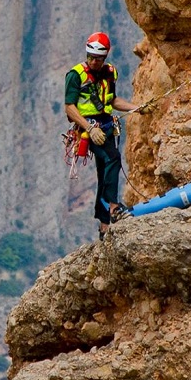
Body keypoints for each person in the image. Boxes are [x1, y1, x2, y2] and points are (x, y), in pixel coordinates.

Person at [65, 32, 138, 239]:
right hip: (88, 129)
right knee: (112, 157)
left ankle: (104, 223)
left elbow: (113, 101)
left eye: (98, 59)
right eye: (91, 57)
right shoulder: (75, 75)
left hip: (105, 125)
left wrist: (136, 108)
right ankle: (113, 207)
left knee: (103, 170)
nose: (94, 62)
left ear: (105, 58)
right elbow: (70, 108)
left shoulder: (109, 72)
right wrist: (89, 127)